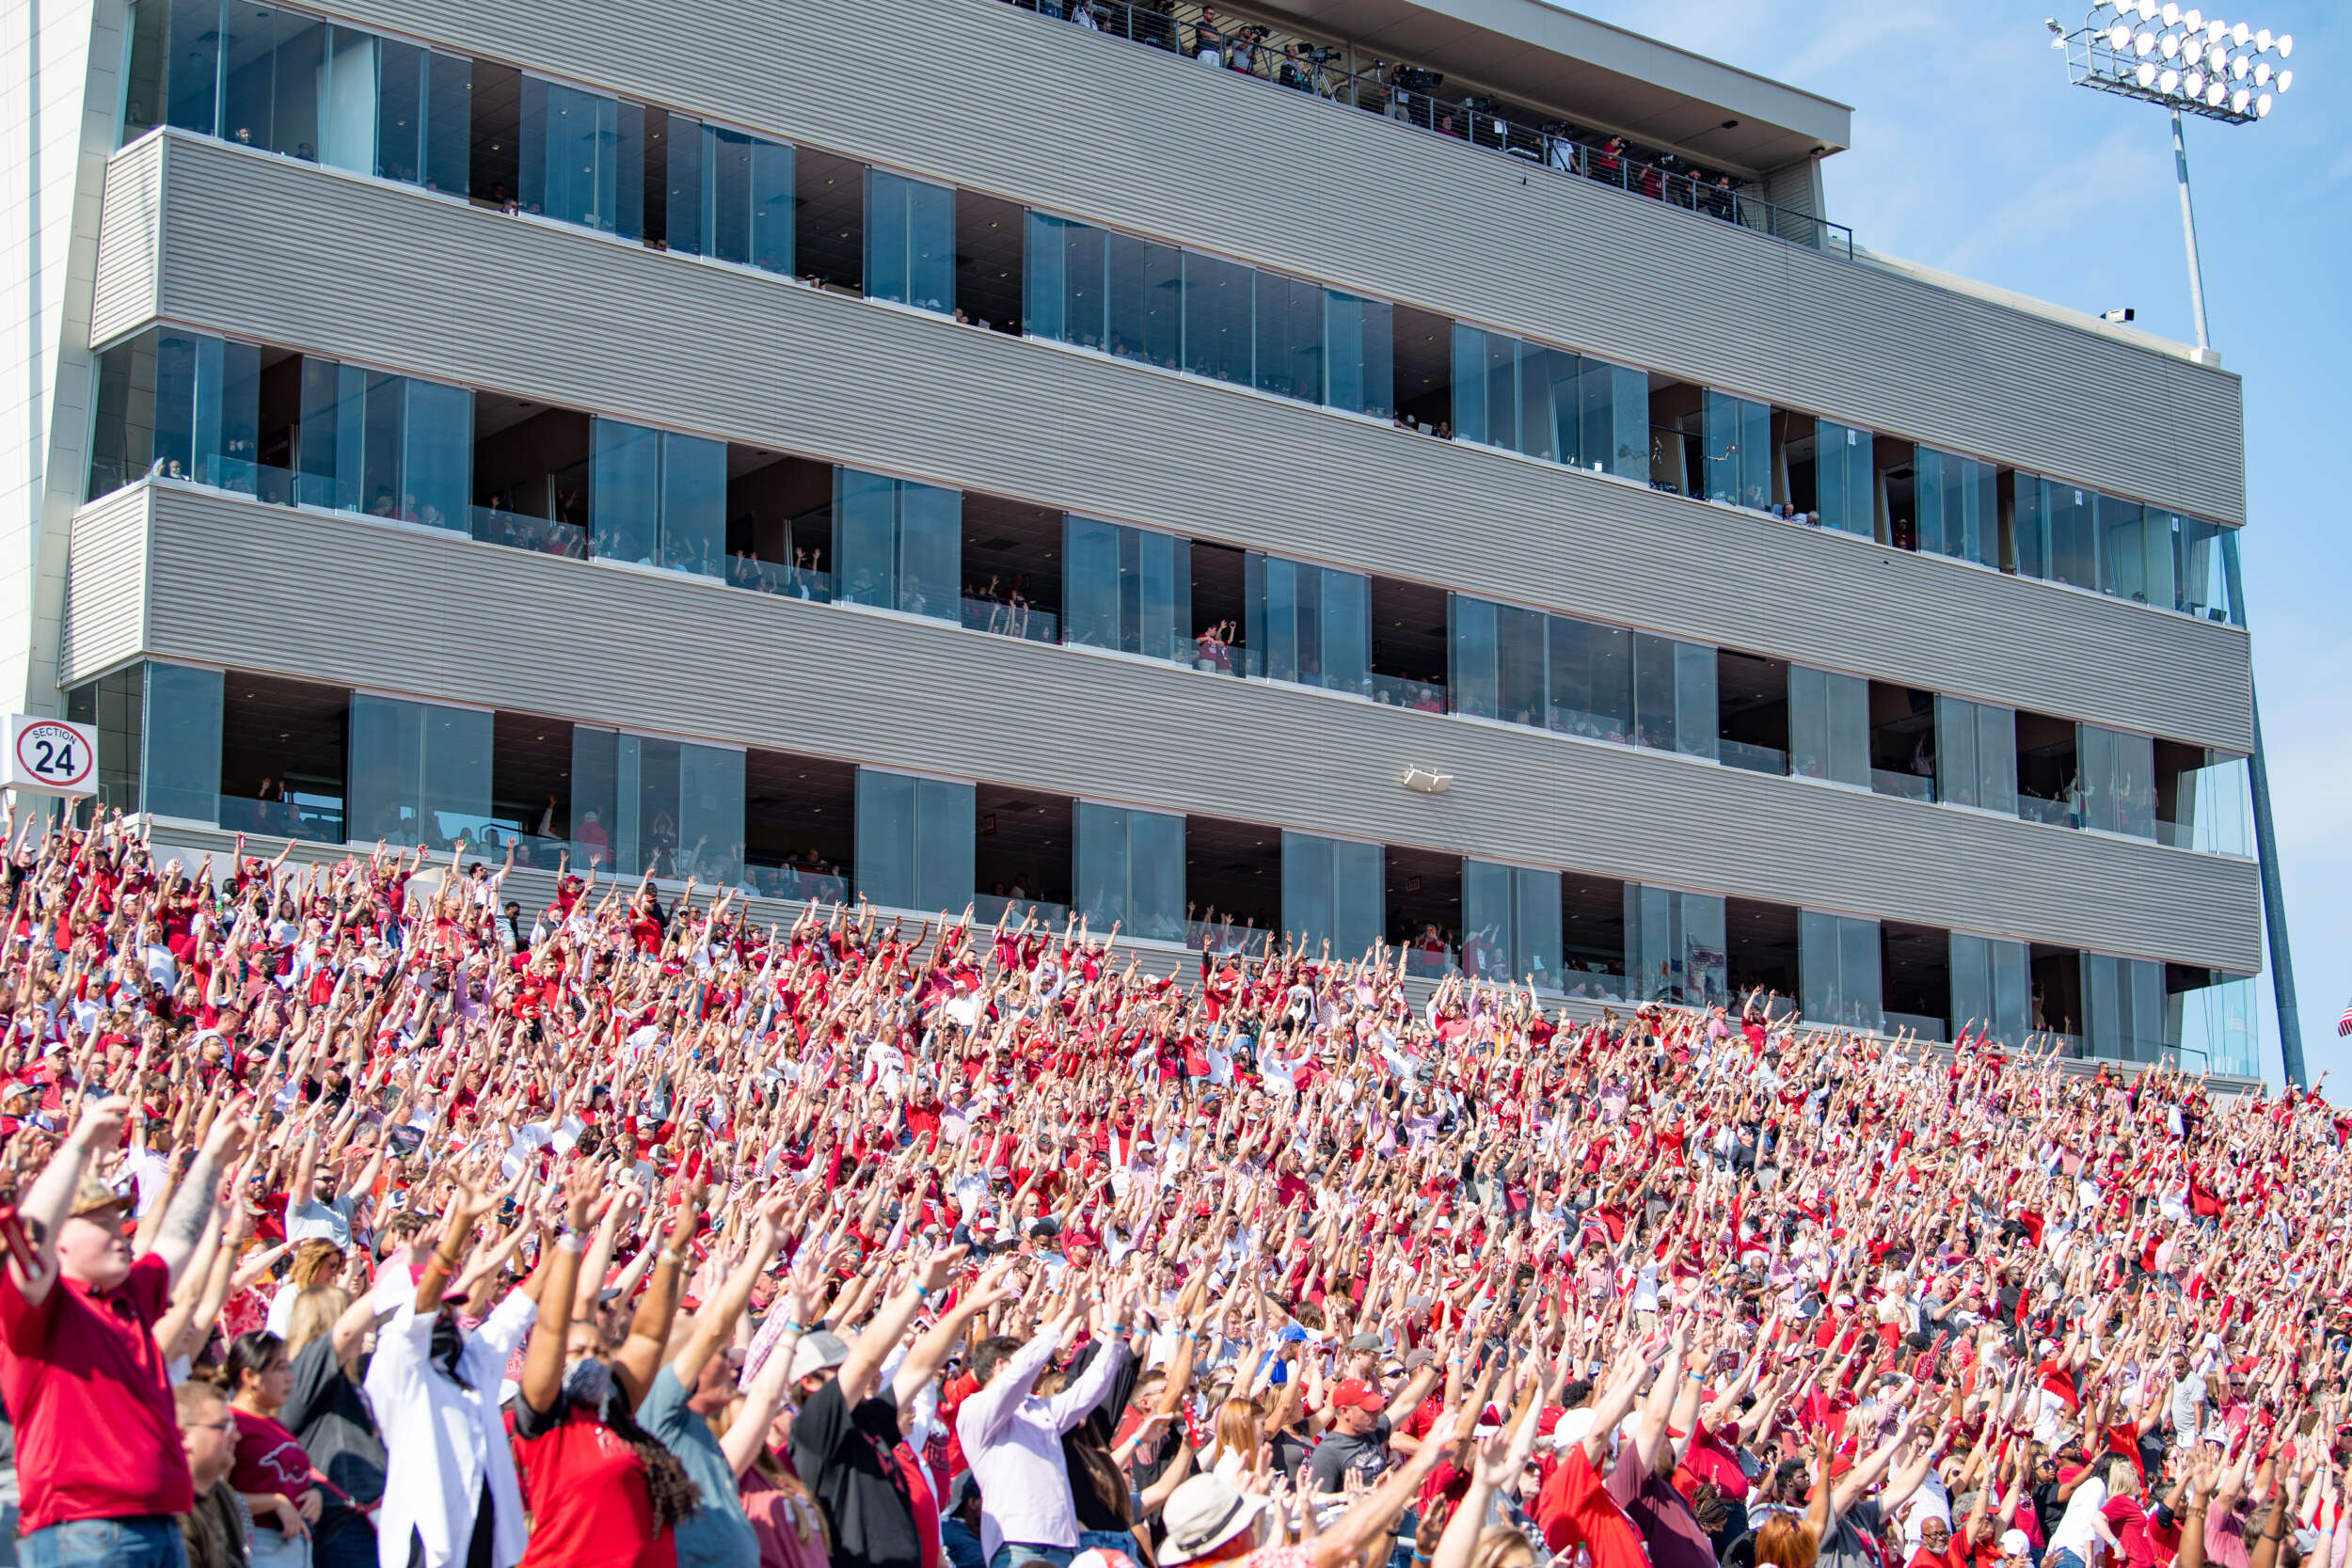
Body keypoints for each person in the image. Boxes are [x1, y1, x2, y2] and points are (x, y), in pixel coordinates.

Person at [0, 1093, 247, 1566]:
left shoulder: (129, 1296)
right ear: (62, 1243)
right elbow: (31, 1238)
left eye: (118, 1218)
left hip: (161, 1522)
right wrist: (77, 1147)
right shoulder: (39, 1310)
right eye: (100, 1222)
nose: (119, 1231)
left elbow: (177, 1239)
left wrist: (211, 1162)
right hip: (83, 1530)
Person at [178, 1381, 249, 1568]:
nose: (236, 1437)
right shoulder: (171, 1507)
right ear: (184, 1437)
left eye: (233, 1427)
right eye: (223, 1427)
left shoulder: (222, 1494)